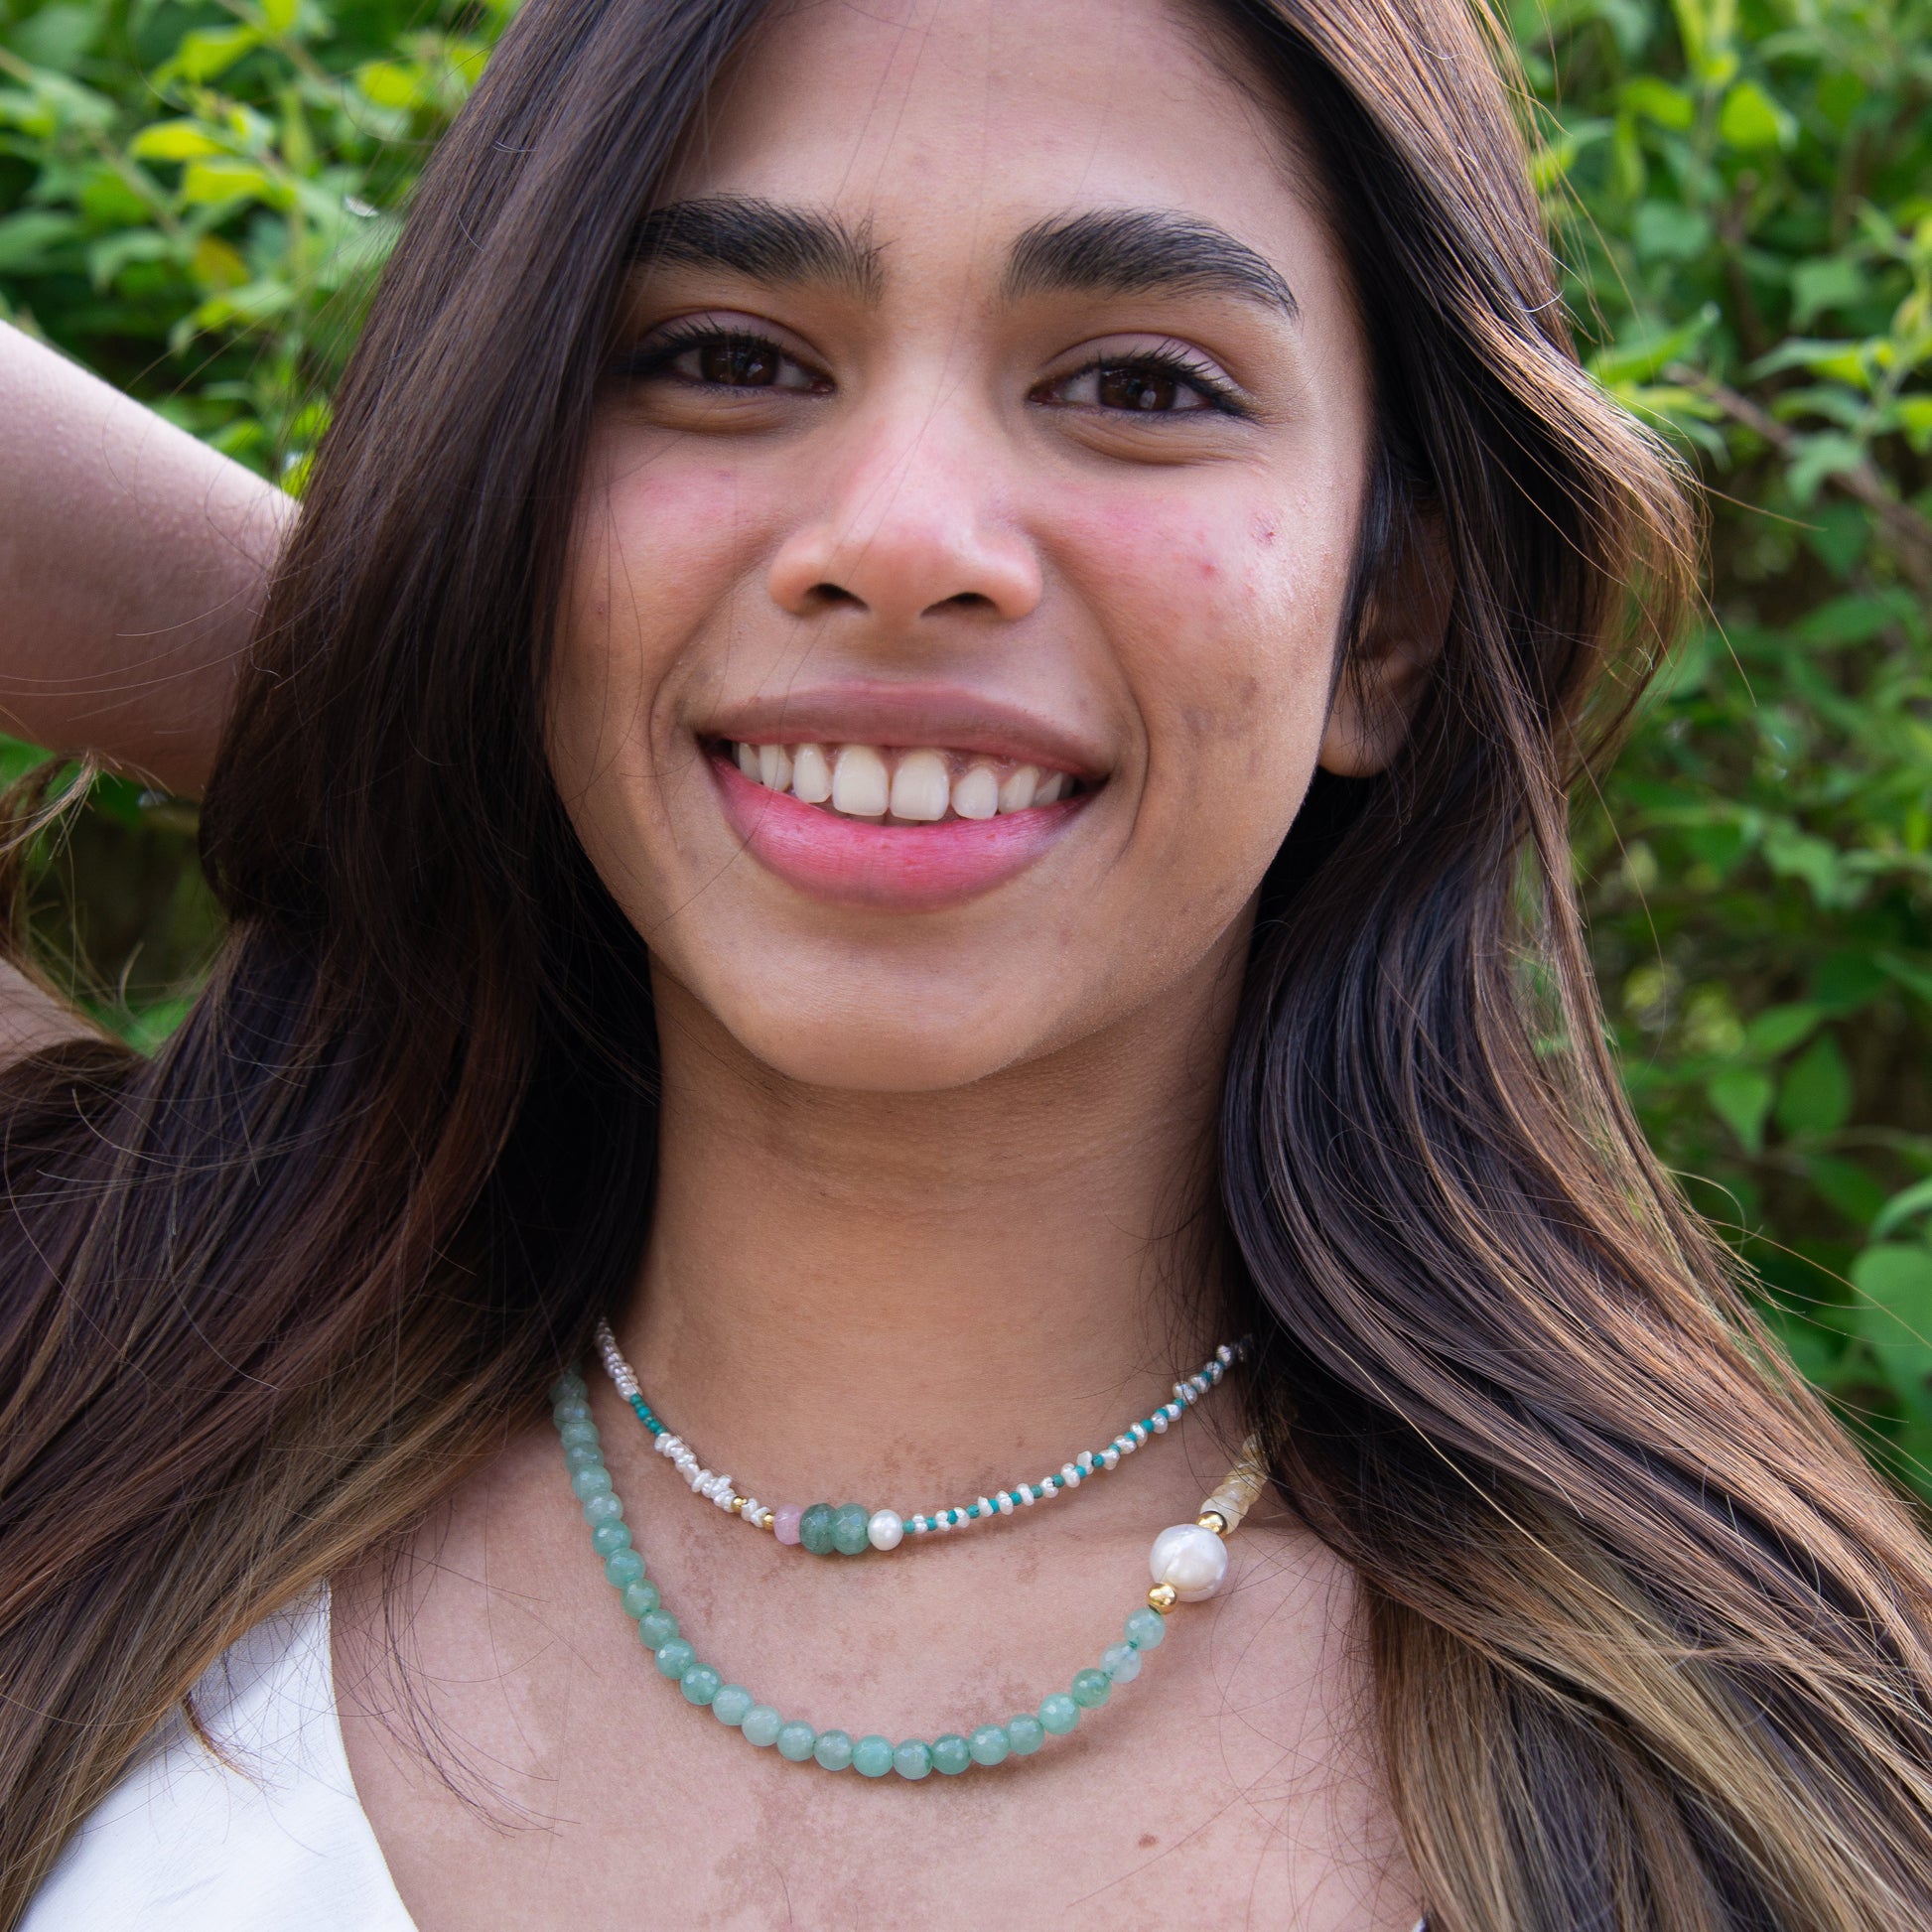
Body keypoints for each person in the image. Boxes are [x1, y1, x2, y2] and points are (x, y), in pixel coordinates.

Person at [3, 0, 1930, 1924]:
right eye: (727, 357)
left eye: (1144, 385)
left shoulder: (1759, 1789)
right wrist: (417, 706)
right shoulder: (89, 1392)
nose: (906, 542)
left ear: (1386, 620)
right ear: (522, 502)